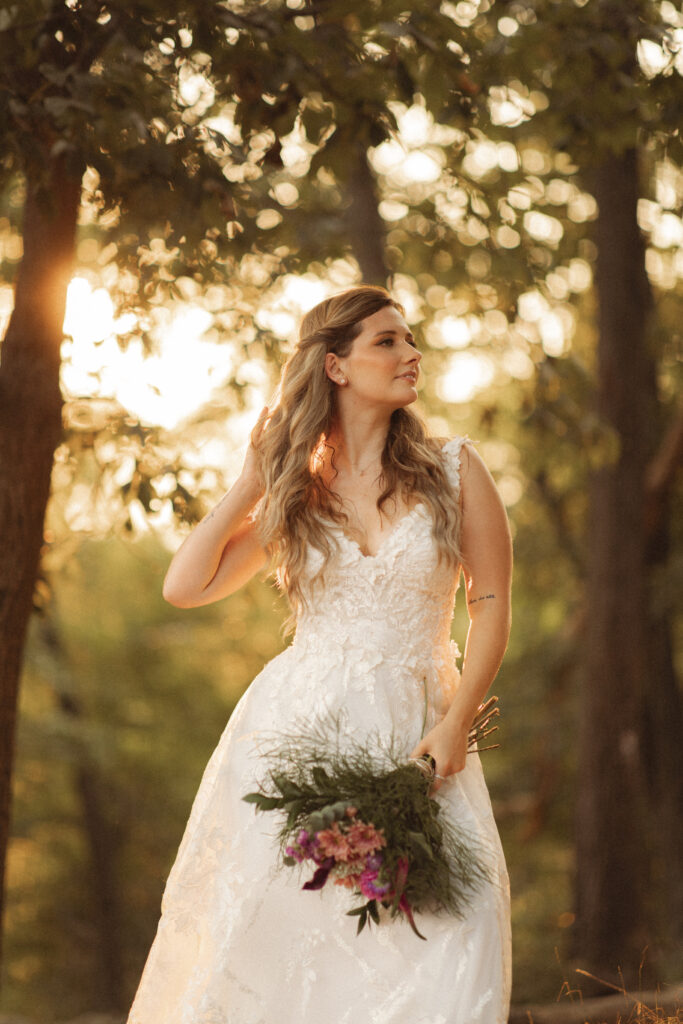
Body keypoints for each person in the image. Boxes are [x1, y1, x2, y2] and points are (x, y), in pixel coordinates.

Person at [127, 284, 513, 1023]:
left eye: (409, 339)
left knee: (450, 942)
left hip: (421, 732)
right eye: (387, 341)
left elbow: (488, 605)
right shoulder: (298, 495)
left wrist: (456, 724)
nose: (411, 354)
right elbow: (185, 586)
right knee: (282, 954)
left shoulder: (454, 470)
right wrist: (254, 476)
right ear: (334, 366)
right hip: (296, 739)